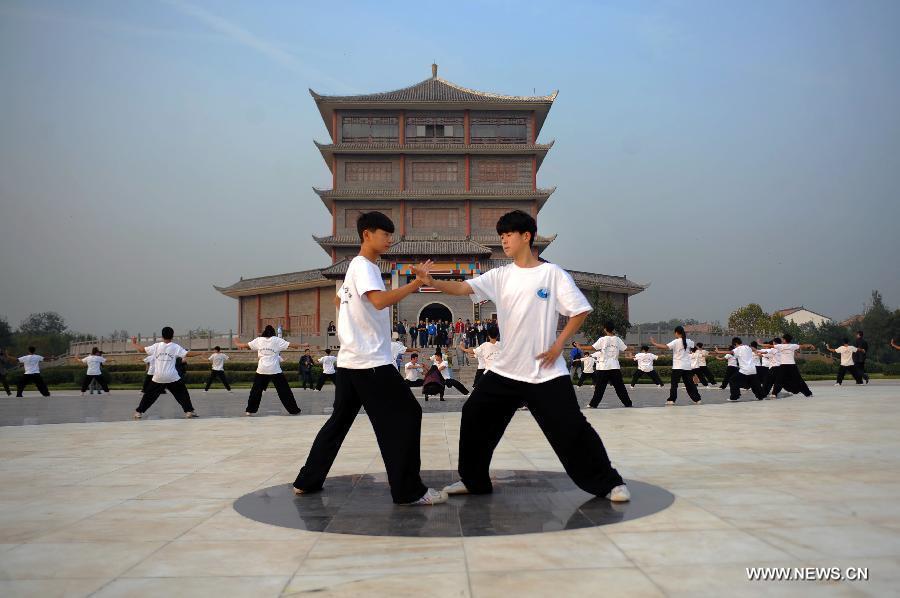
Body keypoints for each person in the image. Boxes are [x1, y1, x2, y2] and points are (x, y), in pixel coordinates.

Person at [414, 210, 629, 502]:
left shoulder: (552, 274)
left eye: (508, 235)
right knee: (474, 414)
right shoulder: (501, 275)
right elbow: (464, 288)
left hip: (545, 371)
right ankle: (474, 480)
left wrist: (558, 346)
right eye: (501, 236)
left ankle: (608, 483)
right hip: (506, 370)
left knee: (571, 428)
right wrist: (433, 281)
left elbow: (579, 310)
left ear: (526, 236)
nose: (503, 241)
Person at [293, 211, 447, 506]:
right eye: (385, 234)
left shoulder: (354, 267)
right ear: (367, 235)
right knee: (406, 416)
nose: (390, 239)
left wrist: (350, 327)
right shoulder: (366, 267)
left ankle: (307, 480)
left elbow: (338, 300)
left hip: (350, 361)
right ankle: (408, 491)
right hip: (371, 362)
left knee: (338, 422)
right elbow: (378, 301)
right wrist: (417, 283)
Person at [233, 326, 302, 416]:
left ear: (264, 332)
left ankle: (249, 410)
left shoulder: (259, 340)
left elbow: (243, 346)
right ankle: (294, 410)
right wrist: (304, 345)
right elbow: (291, 345)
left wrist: (236, 341)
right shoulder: (276, 340)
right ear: (273, 332)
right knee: (284, 391)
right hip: (275, 370)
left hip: (262, 370)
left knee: (256, 391)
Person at [131, 328, 198, 419]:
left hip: (158, 377)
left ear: (162, 336)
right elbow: (187, 354)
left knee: (149, 396)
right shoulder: (175, 346)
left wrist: (134, 343)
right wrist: (201, 353)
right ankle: (189, 411)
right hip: (172, 376)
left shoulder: (156, 346)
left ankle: (138, 412)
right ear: (172, 336)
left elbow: (142, 350)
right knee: (182, 393)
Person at [577, 322, 632, 408]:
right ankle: (628, 403)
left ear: (605, 329)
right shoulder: (617, 339)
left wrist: (581, 347)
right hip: (615, 367)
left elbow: (592, 347)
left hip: (603, 368)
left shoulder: (602, 339)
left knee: (599, 388)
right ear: (613, 329)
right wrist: (631, 348)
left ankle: (593, 404)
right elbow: (625, 348)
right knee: (620, 387)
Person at [649, 326, 702, 406]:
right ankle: (697, 399)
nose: (675, 334)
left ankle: (671, 400)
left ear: (677, 332)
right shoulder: (689, 341)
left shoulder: (676, 342)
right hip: (687, 367)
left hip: (677, 367)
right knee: (690, 384)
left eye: (675, 333)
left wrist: (654, 343)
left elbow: (665, 347)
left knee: (674, 384)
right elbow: (694, 347)